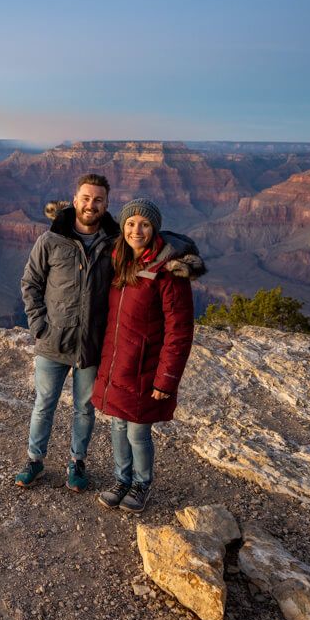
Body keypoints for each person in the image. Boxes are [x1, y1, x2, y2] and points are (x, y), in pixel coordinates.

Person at [15, 178, 203, 492]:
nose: (91, 205)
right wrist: (39, 326)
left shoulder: (115, 243)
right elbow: (30, 283)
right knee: (43, 404)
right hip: (52, 341)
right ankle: (34, 459)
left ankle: (77, 463)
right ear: (74, 200)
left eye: (98, 200)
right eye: (86, 198)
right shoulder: (50, 240)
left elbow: (154, 245)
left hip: (93, 343)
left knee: (84, 408)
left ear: (106, 205)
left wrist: (182, 259)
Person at [92, 198, 195, 513]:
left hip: (146, 367)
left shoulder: (168, 271)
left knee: (138, 431)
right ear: (123, 227)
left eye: (145, 224)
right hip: (117, 364)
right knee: (117, 427)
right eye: (131, 223)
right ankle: (122, 479)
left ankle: (141, 483)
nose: (137, 230)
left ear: (154, 229)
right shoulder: (119, 260)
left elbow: (180, 330)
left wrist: (166, 379)